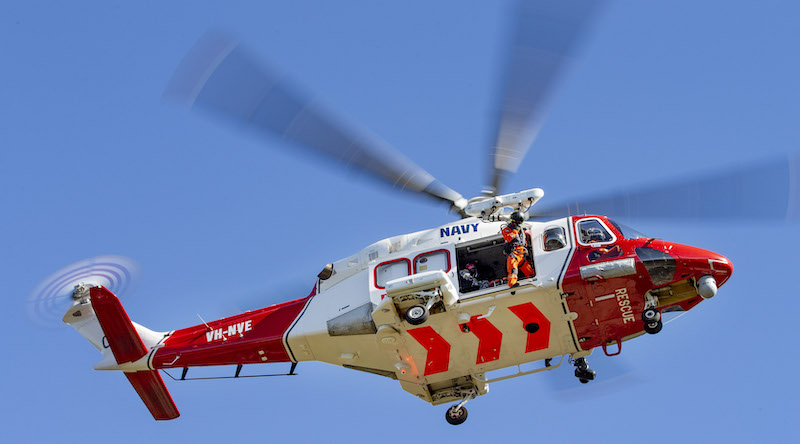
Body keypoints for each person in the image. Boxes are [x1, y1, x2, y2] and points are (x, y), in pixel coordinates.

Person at [501, 210, 534, 288]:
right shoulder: (507, 229)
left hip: (521, 253)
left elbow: (524, 241)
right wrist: (515, 230)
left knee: (528, 269)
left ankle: (533, 279)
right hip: (514, 253)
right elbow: (508, 238)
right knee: (513, 269)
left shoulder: (521, 230)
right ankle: (512, 284)